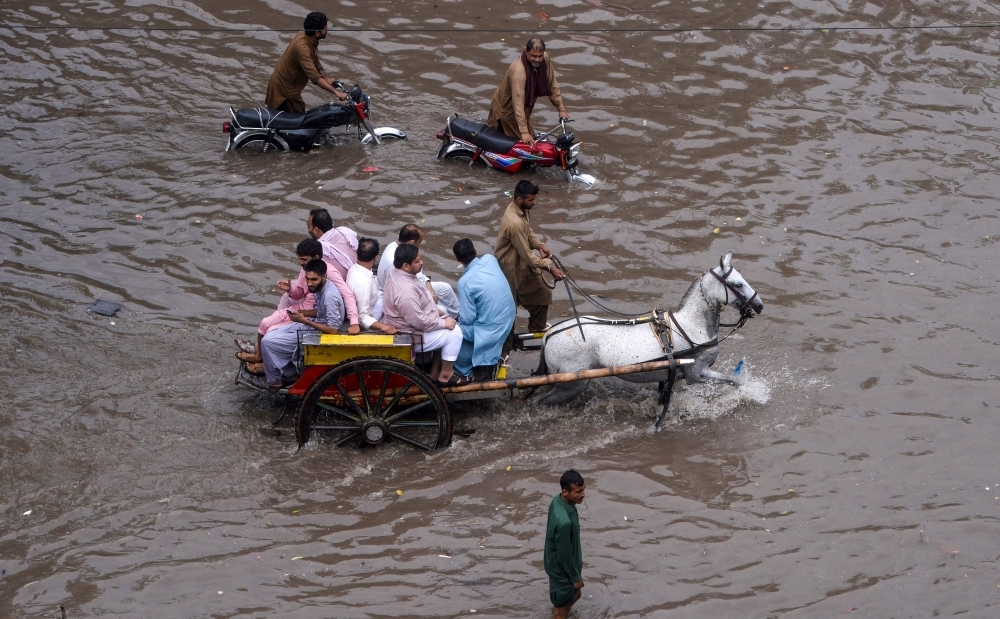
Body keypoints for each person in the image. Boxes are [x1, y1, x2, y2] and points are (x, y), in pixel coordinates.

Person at [236, 238, 325, 374]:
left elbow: (321, 308)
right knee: (268, 324)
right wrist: (290, 289)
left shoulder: (322, 275)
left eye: (304, 259)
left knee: (268, 328)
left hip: (304, 315)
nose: (301, 263)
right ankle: (261, 352)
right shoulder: (305, 270)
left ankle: (263, 359)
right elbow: (300, 292)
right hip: (300, 310)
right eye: (300, 259)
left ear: (316, 258)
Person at [382, 244, 466, 385]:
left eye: (420, 259)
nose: (421, 263)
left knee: (444, 313)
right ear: (406, 266)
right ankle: (445, 375)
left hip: (411, 319)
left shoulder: (397, 272)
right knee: (455, 333)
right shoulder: (405, 293)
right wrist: (444, 323)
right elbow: (420, 322)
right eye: (417, 261)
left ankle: (433, 373)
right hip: (409, 333)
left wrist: (436, 312)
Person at [260, 259, 345, 389]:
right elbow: (320, 312)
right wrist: (303, 313)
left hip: (320, 333)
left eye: (314, 280)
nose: (310, 283)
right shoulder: (320, 287)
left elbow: (333, 330)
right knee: (271, 330)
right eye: (307, 279)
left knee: (267, 342)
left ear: (324, 277)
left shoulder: (329, 296)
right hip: (314, 323)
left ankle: (274, 381)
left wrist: (303, 320)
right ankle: (291, 374)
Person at [495, 180, 566, 332]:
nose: (535, 202)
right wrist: (549, 267)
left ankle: (536, 327)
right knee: (508, 309)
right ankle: (505, 348)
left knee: (543, 294)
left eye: (535, 199)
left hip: (523, 263)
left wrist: (539, 245)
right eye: (531, 200)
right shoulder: (513, 222)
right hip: (510, 269)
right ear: (520, 199)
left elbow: (528, 231)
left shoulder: (521, 210)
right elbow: (527, 255)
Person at [452, 239, 515, 380]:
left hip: (491, 330)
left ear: (457, 258)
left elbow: (467, 318)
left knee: (455, 329)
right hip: (508, 318)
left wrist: (454, 321)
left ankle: (463, 371)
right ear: (475, 251)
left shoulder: (464, 282)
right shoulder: (490, 259)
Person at [487, 37, 569, 146]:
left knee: (533, 141)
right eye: (533, 56)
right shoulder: (518, 73)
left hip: (524, 111)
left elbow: (551, 83)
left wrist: (561, 109)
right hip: (507, 112)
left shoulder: (544, 59)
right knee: (526, 147)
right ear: (526, 52)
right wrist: (524, 131)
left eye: (540, 56)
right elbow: (518, 103)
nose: (537, 60)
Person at [265, 12, 348, 113]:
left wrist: (325, 78)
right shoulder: (302, 48)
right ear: (317, 33)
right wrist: (336, 92)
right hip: (285, 90)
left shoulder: (307, 36)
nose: (327, 31)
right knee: (296, 121)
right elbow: (314, 76)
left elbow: (315, 60)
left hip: (288, 86)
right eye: (325, 29)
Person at [376, 223, 460, 319]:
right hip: (397, 294)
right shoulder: (393, 261)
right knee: (441, 309)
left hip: (415, 282)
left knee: (445, 288)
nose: (420, 244)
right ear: (412, 242)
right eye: (420, 241)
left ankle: (458, 317)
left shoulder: (398, 246)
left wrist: (429, 287)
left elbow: (418, 276)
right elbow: (404, 288)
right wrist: (428, 296)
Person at [544, 470, 586, 619]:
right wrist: (575, 577)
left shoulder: (558, 500)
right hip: (563, 572)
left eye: (583, 490)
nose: (583, 494)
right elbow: (564, 555)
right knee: (562, 610)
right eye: (578, 492)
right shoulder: (564, 523)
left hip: (560, 565)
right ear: (565, 492)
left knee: (575, 595)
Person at [346, 237, 397, 334]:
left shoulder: (354, 269)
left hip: (377, 300)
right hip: (374, 316)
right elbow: (362, 317)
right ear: (375, 258)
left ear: (357, 253)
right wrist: (384, 327)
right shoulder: (363, 284)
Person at [307, 208, 356, 280]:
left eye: (309, 226)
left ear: (316, 230)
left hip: (346, 285)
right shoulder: (345, 233)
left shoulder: (319, 251)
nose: (308, 230)